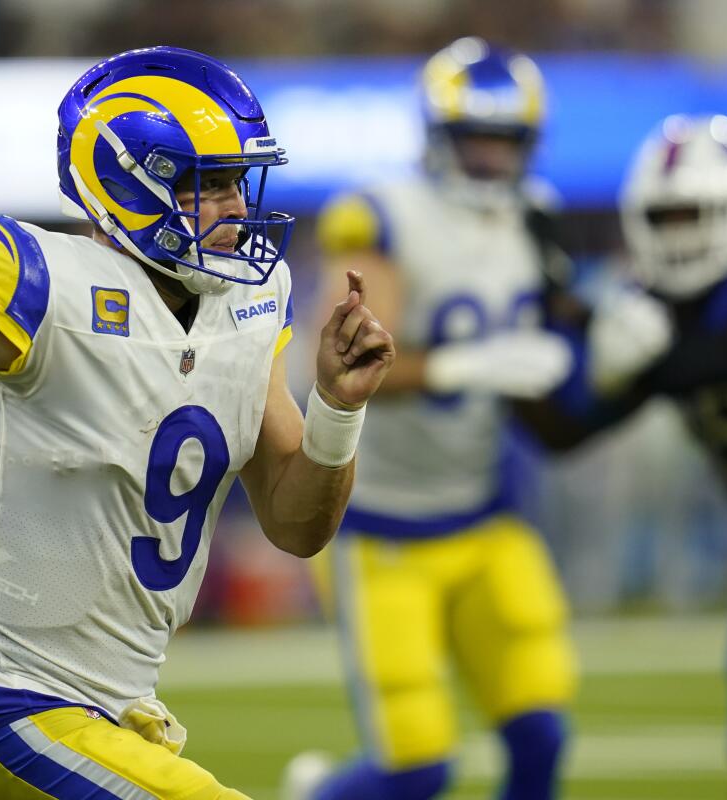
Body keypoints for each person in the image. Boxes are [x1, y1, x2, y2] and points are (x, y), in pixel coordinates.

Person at [0, 46, 394, 799]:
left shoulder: (249, 303)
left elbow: (299, 527)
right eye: (210, 185)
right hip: (13, 707)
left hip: (122, 715)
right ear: (129, 185)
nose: (238, 206)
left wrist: (337, 407)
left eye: (240, 180)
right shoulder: (43, 291)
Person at [283, 37, 577, 800]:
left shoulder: (537, 220)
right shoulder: (382, 215)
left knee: (542, 731)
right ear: (438, 135)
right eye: (474, 139)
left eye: (504, 142)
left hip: (485, 512)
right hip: (382, 527)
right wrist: (462, 365)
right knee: (418, 767)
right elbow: (346, 359)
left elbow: (562, 341)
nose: (489, 160)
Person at [580, 113, 727, 800]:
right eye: (667, 216)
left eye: (697, 213)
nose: (681, 233)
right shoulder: (651, 314)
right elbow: (569, 426)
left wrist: (662, 361)